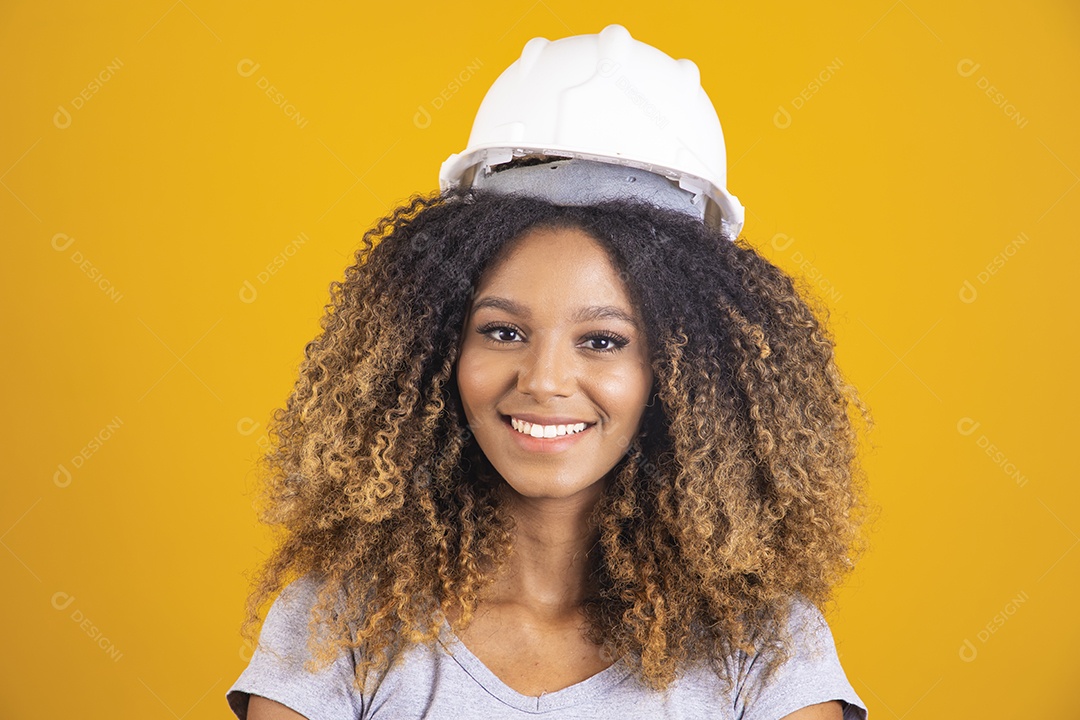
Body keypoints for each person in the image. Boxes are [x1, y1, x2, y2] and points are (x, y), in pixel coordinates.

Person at [226, 24, 871, 720]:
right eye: (503, 332)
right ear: (437, 350)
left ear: (686, 376)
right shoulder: (337, 628)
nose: (543, 380)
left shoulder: (766, 646)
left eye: (603, 340)